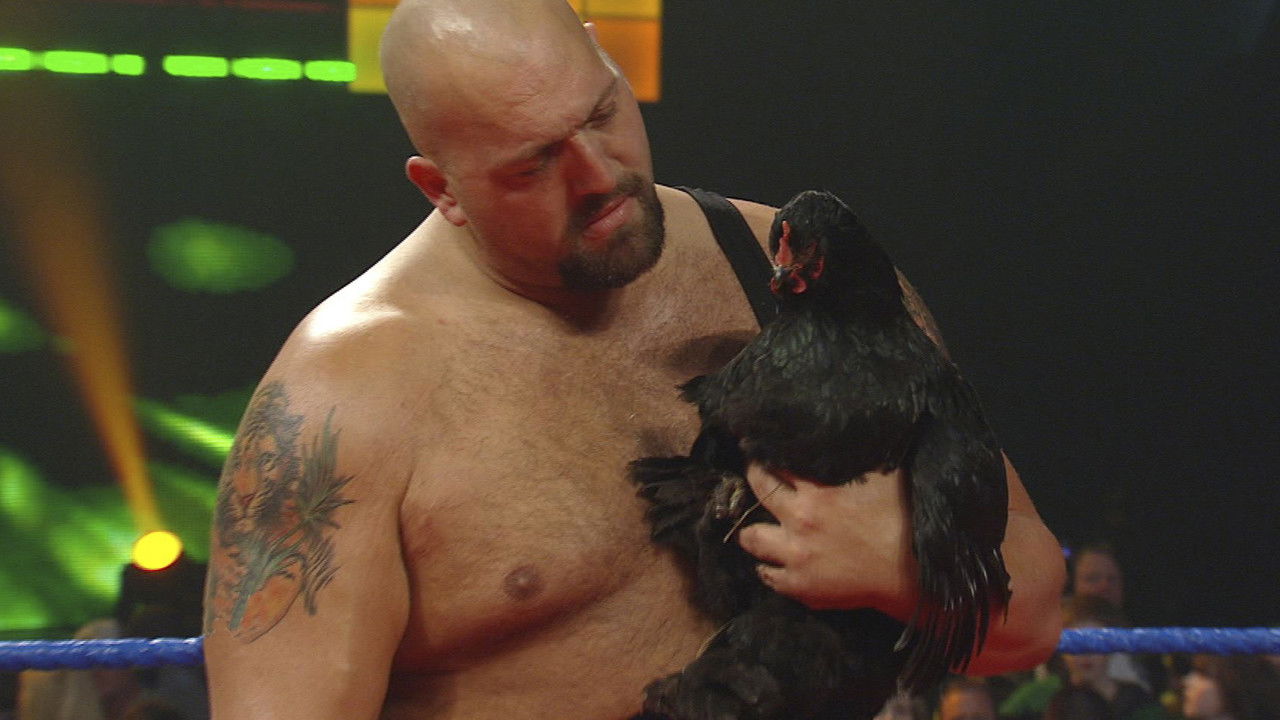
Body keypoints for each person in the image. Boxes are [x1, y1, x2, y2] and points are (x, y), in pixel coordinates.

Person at [200, 0, 1066, 716]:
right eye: (534, 162)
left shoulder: (795, 269)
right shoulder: (344, 399)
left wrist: (899, 568)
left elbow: (1032, 619)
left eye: (602, 114)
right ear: (441, 188)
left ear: (605, 59)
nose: (598, 174)